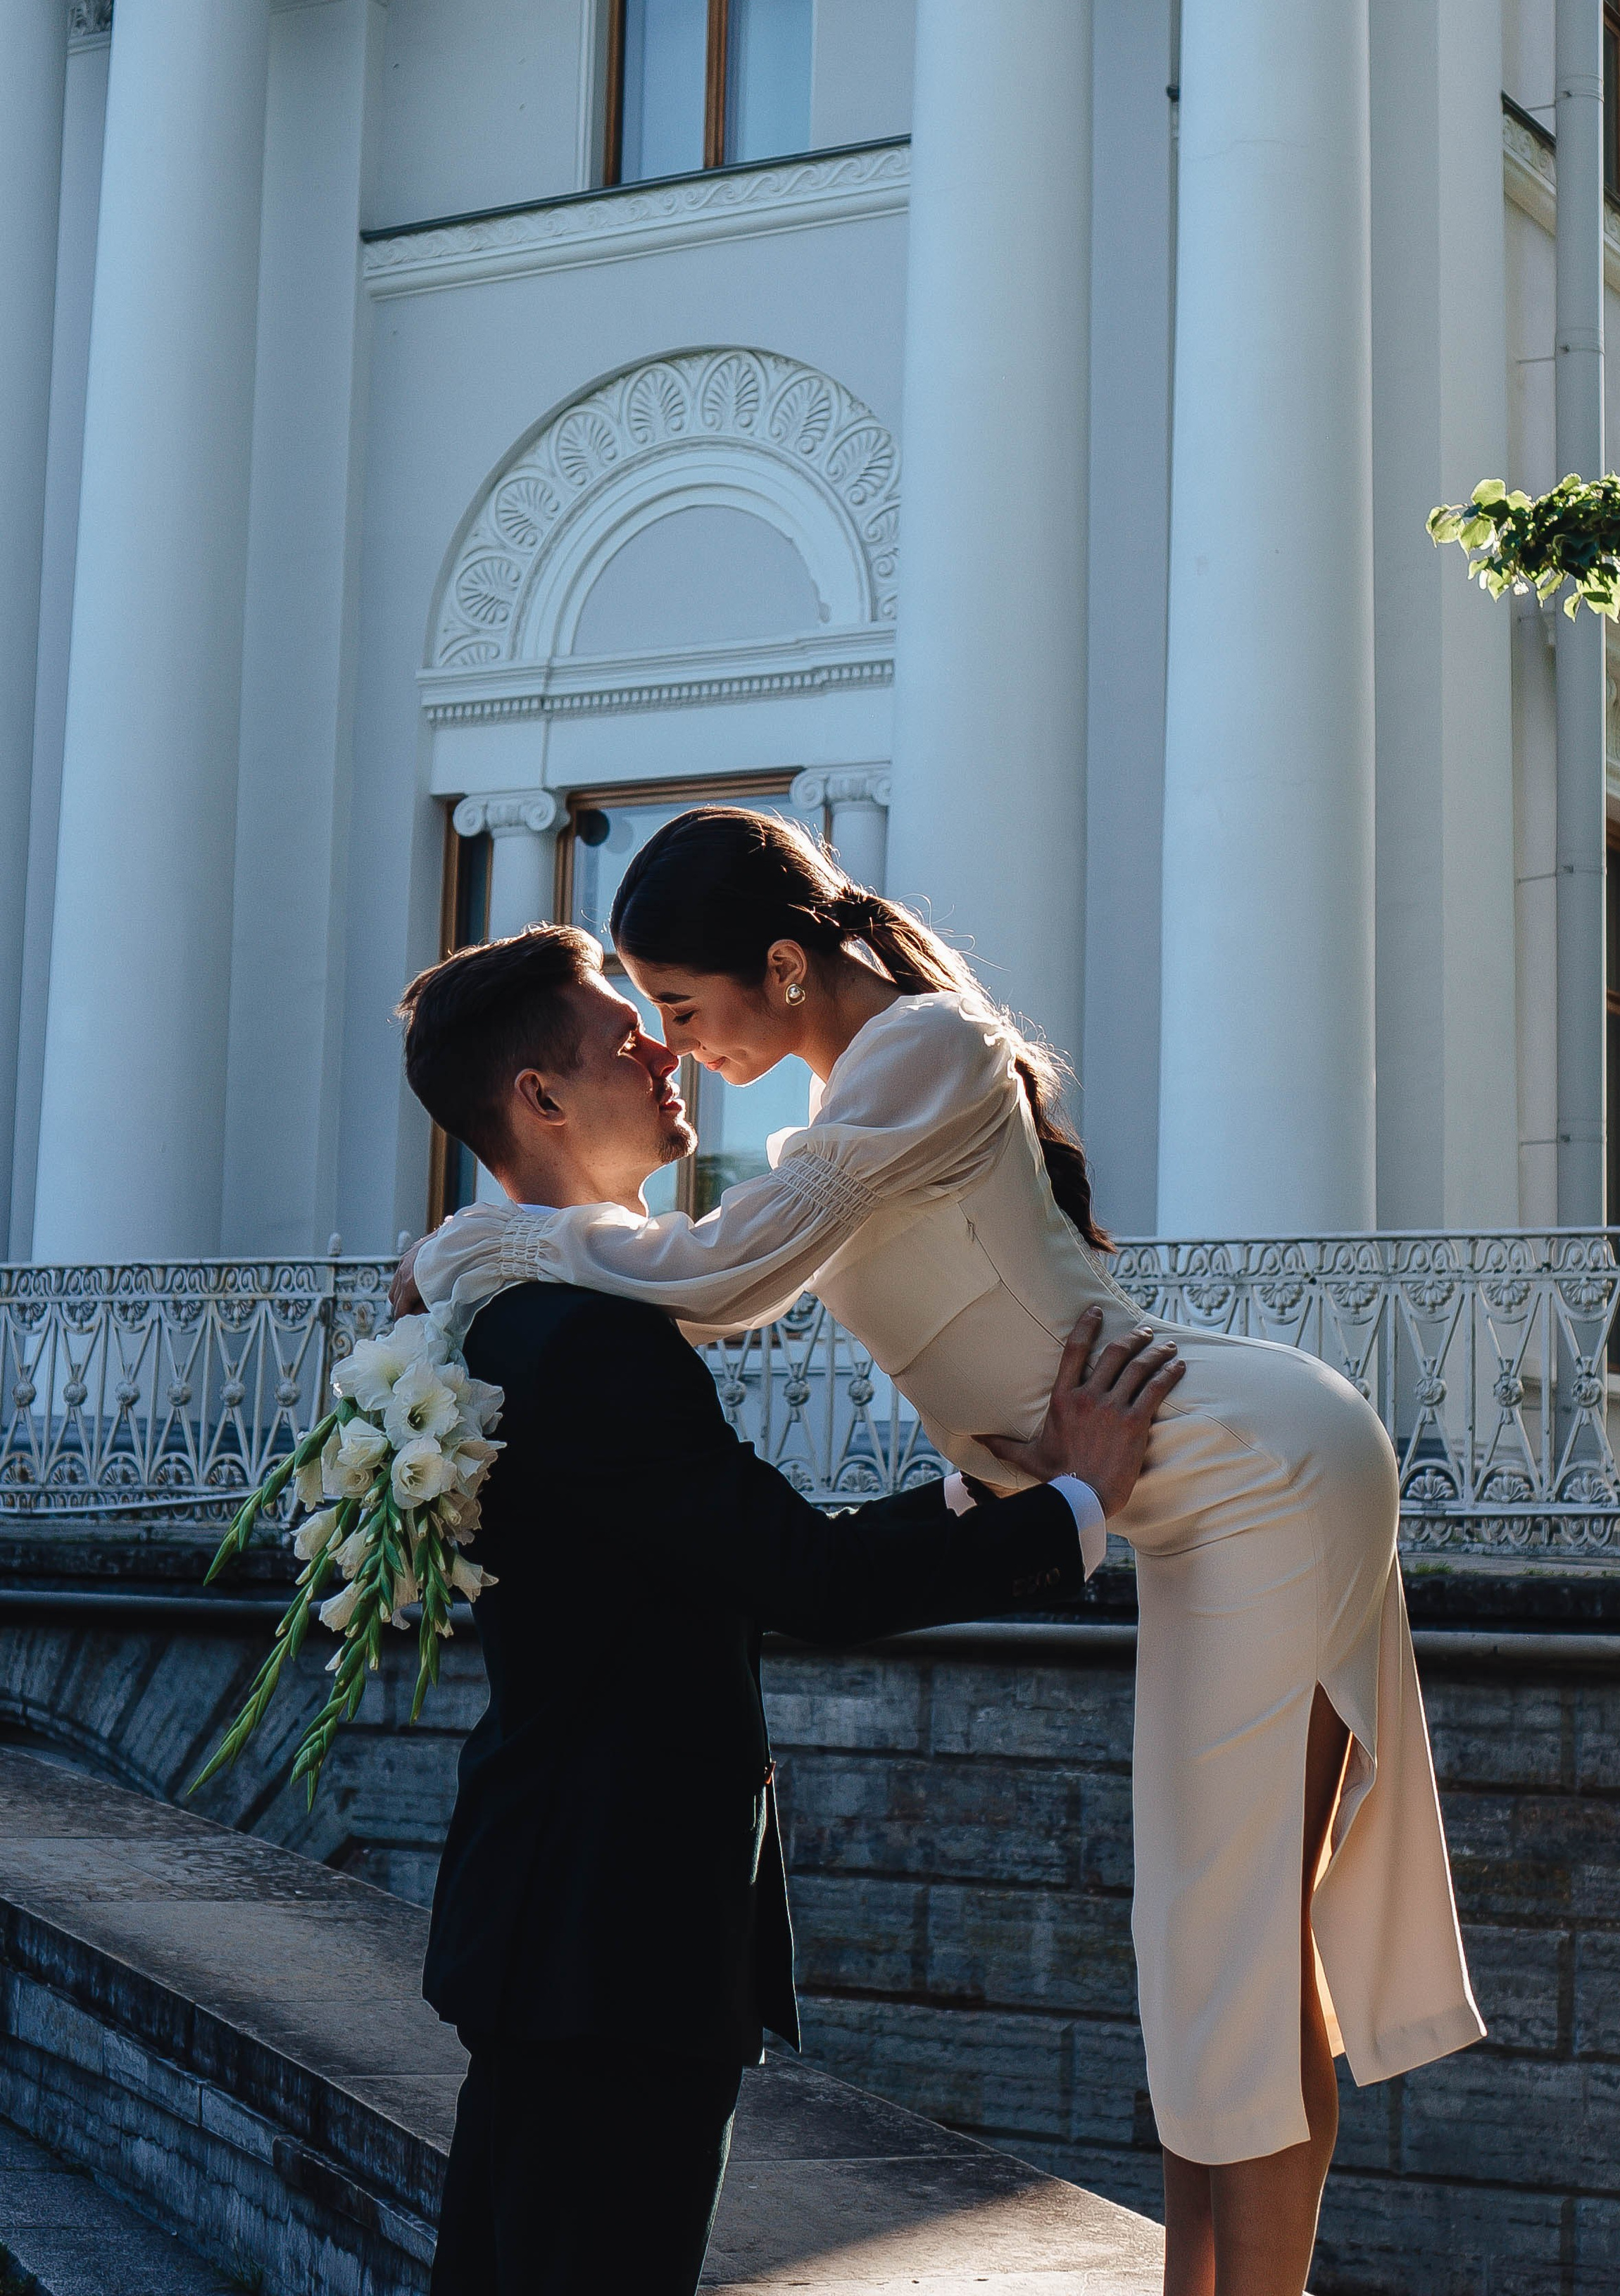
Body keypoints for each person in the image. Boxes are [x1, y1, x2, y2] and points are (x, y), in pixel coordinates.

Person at [409, 808, 1486, 2296]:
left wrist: (485, 1244)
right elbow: (785, 1309)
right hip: (1168, 1480)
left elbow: (718, 1280)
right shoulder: (848, 1108)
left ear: (782, 966)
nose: (674, 1047)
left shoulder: (921, 1046)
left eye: (681, 1007)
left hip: (1247, 1463)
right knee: (1189, 1940)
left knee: (1232, 1940)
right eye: (642, 1022)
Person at [398, 925, 1183, 2296]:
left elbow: (707, 1556)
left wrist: (973, 1496)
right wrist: (1068, 1510)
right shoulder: (580, 1339)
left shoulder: (509, 1305)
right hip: (611, 1934)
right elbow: (799, 1577)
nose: (669, 1049)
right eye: (625, 1035)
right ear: (538, 1098)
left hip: (568, 1920)